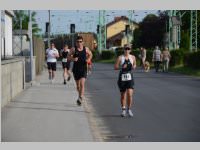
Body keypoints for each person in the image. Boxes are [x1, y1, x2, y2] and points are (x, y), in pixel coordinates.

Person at [69, 36, 93, 106]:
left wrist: (88, 59)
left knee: (82, 84)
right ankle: (79, 96)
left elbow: (91, 54)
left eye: (80, 42)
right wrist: (73, 59)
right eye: (78, 42)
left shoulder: (86, 49)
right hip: (76, 69)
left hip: (84, 69)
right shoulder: (73, 49)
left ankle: (80, 98)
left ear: (83, 42)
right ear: (76, 42)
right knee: (78, 86)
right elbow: (68, 56)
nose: (79, 43)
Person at [114, 44, 136, 117]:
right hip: (122, 77)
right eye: (126, 49)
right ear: (123, 49)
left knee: (130, 94)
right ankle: (123, 110)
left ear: (130, 50)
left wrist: (134, 66)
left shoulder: (133, 57)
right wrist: (121, 67)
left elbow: (135, 65)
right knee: (123, 95)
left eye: (128, 49)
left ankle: (129, 109)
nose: (127, 50)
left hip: (130, 77)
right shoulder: (120, 58)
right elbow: (115, 67)